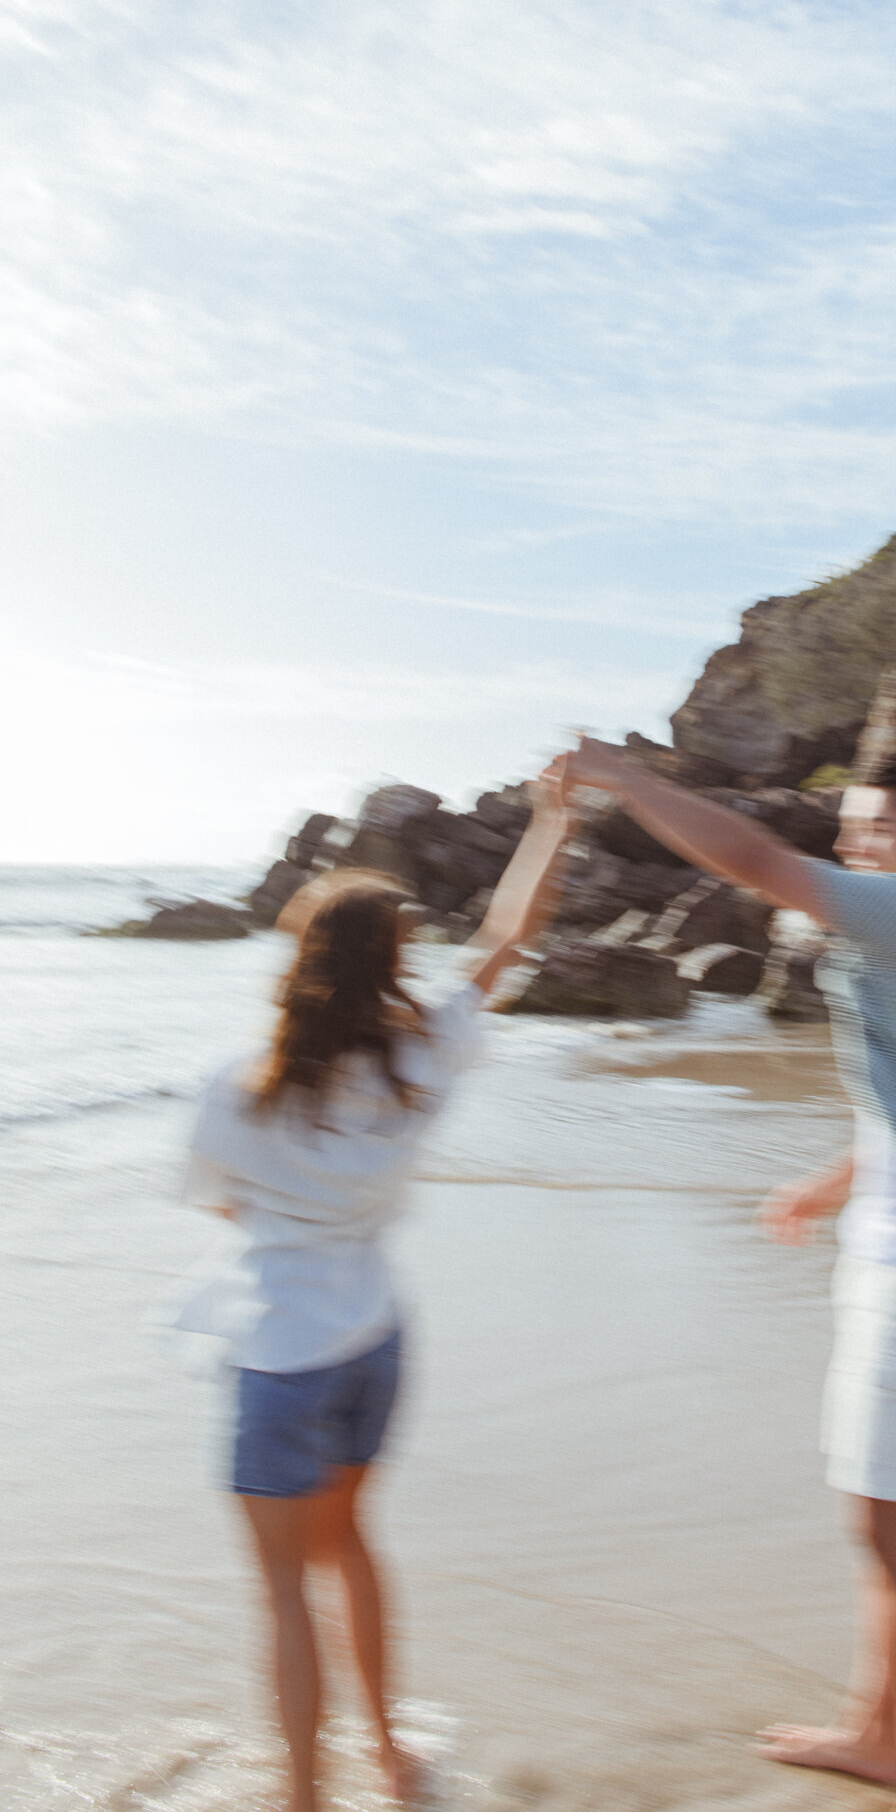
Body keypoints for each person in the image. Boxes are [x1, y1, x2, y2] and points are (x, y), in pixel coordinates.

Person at [558, 739, 896, 1812]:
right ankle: (881, 1736)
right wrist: (830, 1180)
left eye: (871, 822)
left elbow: (755, 859)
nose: (850, 841)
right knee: (881, 1521)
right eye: (850, 825)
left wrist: (624, 775)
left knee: (895, 1531)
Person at [174, 770, 574, 1812]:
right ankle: (389, 1752)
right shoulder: (420, 1058)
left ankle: (305, 1796)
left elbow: (219, 1208)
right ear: (392, 964)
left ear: (297, 955)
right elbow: (508, 936)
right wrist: (553, 821)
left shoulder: (237, 1087)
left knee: (282, 1590)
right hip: (375, 1342)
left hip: (281, 1355)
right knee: (349, 1541)